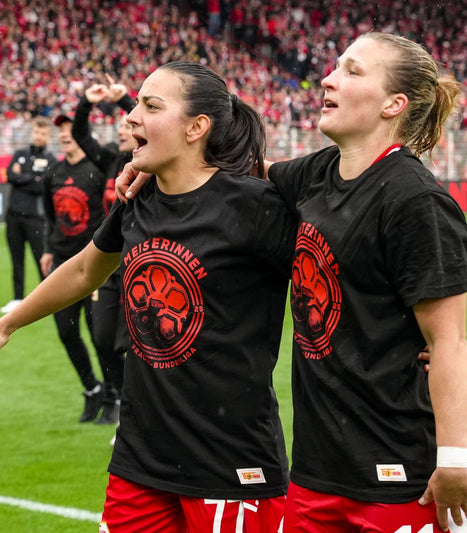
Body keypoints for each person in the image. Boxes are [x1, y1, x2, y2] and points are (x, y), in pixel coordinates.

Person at [118, 32, 467, 533]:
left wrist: (454, 460)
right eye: (334, 67)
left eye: (352, 71)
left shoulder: (415, 200)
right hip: (316, 472)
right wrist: (153, 166)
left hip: (399, 472)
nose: (328, 79)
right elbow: (241, 171)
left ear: (393, 104)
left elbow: (449, 341)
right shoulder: (319, 173)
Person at [0, 61, 297, 533]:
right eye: (136, 103)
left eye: (150, 106)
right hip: (140, 460)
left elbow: (339, 261)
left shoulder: (256, 205)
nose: (130, 116)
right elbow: (84, 270)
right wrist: (9, 322)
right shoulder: (140, 198)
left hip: (230, 465)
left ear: (197, 128)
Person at [70, 76, 137, 424]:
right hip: (110, 266)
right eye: (120, 125)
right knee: (102, 338)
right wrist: (87, 102)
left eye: (128, 124)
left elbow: (149, 121)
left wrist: (124, 99)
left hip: (139, 265)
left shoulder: (150, 164)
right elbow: (81, 135)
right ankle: (122, 400)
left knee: (136, 344)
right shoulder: (111, 161)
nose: (122, 129)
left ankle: (137, 410)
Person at [40, 114, 111, 423]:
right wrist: (47, 249)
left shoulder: (97, 169)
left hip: (94, 265)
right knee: (66, 332)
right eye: (61, 130)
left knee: (100, 336)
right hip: (61, 264)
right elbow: (50, 216)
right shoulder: (53, 173)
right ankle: (92, 388)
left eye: (70, 129)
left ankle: (113, 394)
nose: (64, 134)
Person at [1, 116, 57, 314]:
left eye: (43, 133)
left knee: (41, 259)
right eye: (36, 132)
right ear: (32, 132)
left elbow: (43, 186)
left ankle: (46, 298)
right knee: (16, 259)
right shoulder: (20, 153)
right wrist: (34, 177)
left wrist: (23, 177)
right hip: (14, 215)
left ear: (48, 135)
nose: (39, 136)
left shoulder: (51, 159)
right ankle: (18, 298)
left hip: (36, 217)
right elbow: (11, 175)